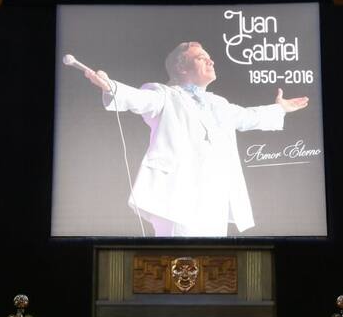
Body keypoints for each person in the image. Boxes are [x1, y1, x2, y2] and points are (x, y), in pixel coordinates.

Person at [84, 42, 309, 237]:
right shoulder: (164, 94)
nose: (211, 61)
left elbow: (248, 116)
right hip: (177, 196)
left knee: (212, 260)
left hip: (215, 197)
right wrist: (111, 86)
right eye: (201, 58)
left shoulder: (218, 103)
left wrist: (279, 109)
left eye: (210, 58)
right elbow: (140, 99)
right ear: (181, 67)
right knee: (177, 259)